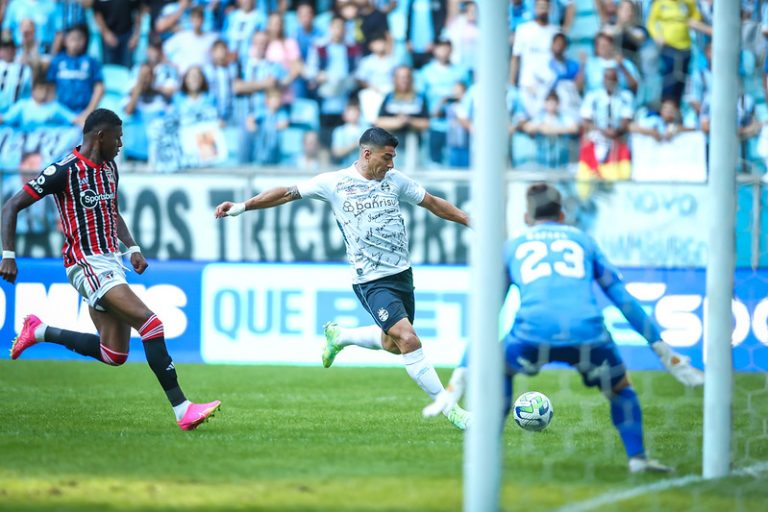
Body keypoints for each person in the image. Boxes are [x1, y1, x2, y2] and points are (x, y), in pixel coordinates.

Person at [423, 182, 705, 472]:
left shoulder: (512, 247)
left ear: (526, 218)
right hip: (588, 333)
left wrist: (457, 381)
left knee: (499, 372)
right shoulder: (584, 241)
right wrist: (665, 353)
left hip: (532, 333)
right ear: (562, 215)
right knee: (621, 389)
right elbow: (622, 299)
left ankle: (485, 462)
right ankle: (637, 459)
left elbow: (487, 316)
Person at [215, 127, 471, 430]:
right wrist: (243, 206)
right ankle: (449, 408)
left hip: (402, 274)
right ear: (366, 153)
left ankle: (342, 336)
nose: (391, 164)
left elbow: (433, 203)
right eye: (386, 157)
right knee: (408, 338)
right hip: (370, 280)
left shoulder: (395, 180)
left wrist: (471, 220)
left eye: (393, 158)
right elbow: (286, 193)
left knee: (392, 344)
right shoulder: (333, 182)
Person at [1, 108, 220, 431]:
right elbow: (11, 205)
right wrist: (7, 254)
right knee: (151, 324)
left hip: (111, 263)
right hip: (85, 263)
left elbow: (111, 211)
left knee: (113, 353)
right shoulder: (64, 171)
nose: (121, 143)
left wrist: (132, 248)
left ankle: (39, 330)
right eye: (117, 137)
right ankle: (183, 409)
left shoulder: (109, 168)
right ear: (99, 136)